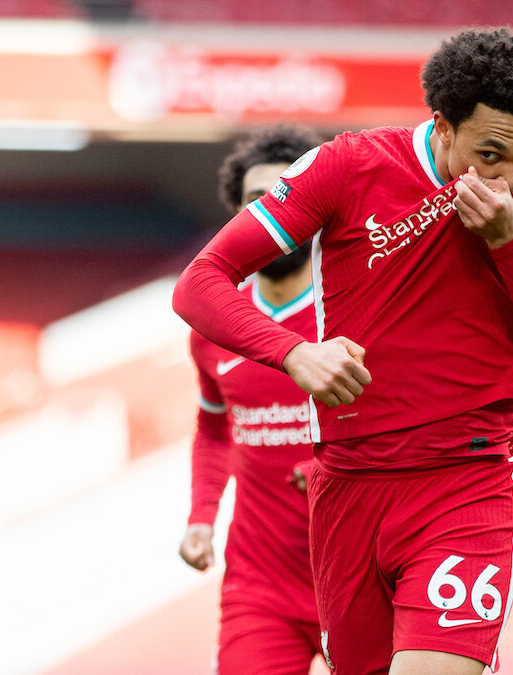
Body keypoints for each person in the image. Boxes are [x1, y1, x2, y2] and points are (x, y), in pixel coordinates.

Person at [174, 28, 513, 675]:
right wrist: (295, 354)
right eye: (489, 153)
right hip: (348, 492)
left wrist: (509, 241)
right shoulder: (350, 166)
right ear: (443, 126)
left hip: (466, 481)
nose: (508, 175)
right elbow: (199, 283)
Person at [178, 124, 326, 674]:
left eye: (288, 198)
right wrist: (200, 518)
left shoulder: (358, 310)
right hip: (259, 585)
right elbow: (215, 428)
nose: (273, 217)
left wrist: (340, 468)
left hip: (361, 576)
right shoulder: (213, 324)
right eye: (256, 203)